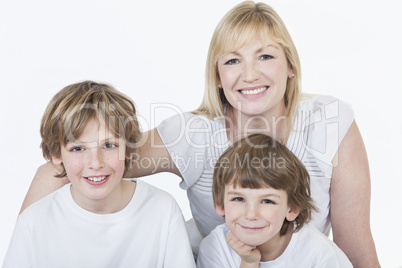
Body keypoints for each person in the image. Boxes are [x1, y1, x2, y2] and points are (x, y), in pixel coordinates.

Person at [19, 2, 380, 267]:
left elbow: (357, 250)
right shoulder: (192, 135)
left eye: (265, 56)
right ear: (218, 77)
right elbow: (90, 162)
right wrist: (28, 243)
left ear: (290, 66)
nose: (250, 75)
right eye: (233, 61)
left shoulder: (329, 122)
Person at [3, 81, 195, 268]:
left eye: (109, 145)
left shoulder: (162, 210)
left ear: (128, 148)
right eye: (78, 148)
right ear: (56, 153)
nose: (95, 163)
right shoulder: (33, 223)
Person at [197, 133, 352, 267]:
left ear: (292, 208)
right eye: (238, 198)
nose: (251, 214)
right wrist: (249, 262)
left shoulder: (320, 255)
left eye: (267, 201)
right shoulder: (215, 248)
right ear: (220, 203)